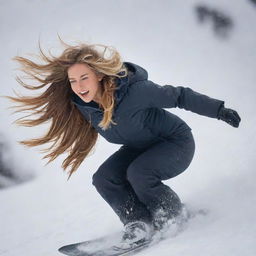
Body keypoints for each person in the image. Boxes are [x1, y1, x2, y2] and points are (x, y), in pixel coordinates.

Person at [8, 39, 241, 246]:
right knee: (104, 178)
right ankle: (138, 223)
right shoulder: (84, 106)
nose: (79, 86)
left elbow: (180, 95)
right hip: (141, 148)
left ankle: (171, 216)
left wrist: (219, 110)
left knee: (139, 173)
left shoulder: (136, 92)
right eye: (73, 81)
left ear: (99, 75)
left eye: (84, 78)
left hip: (175, 143)